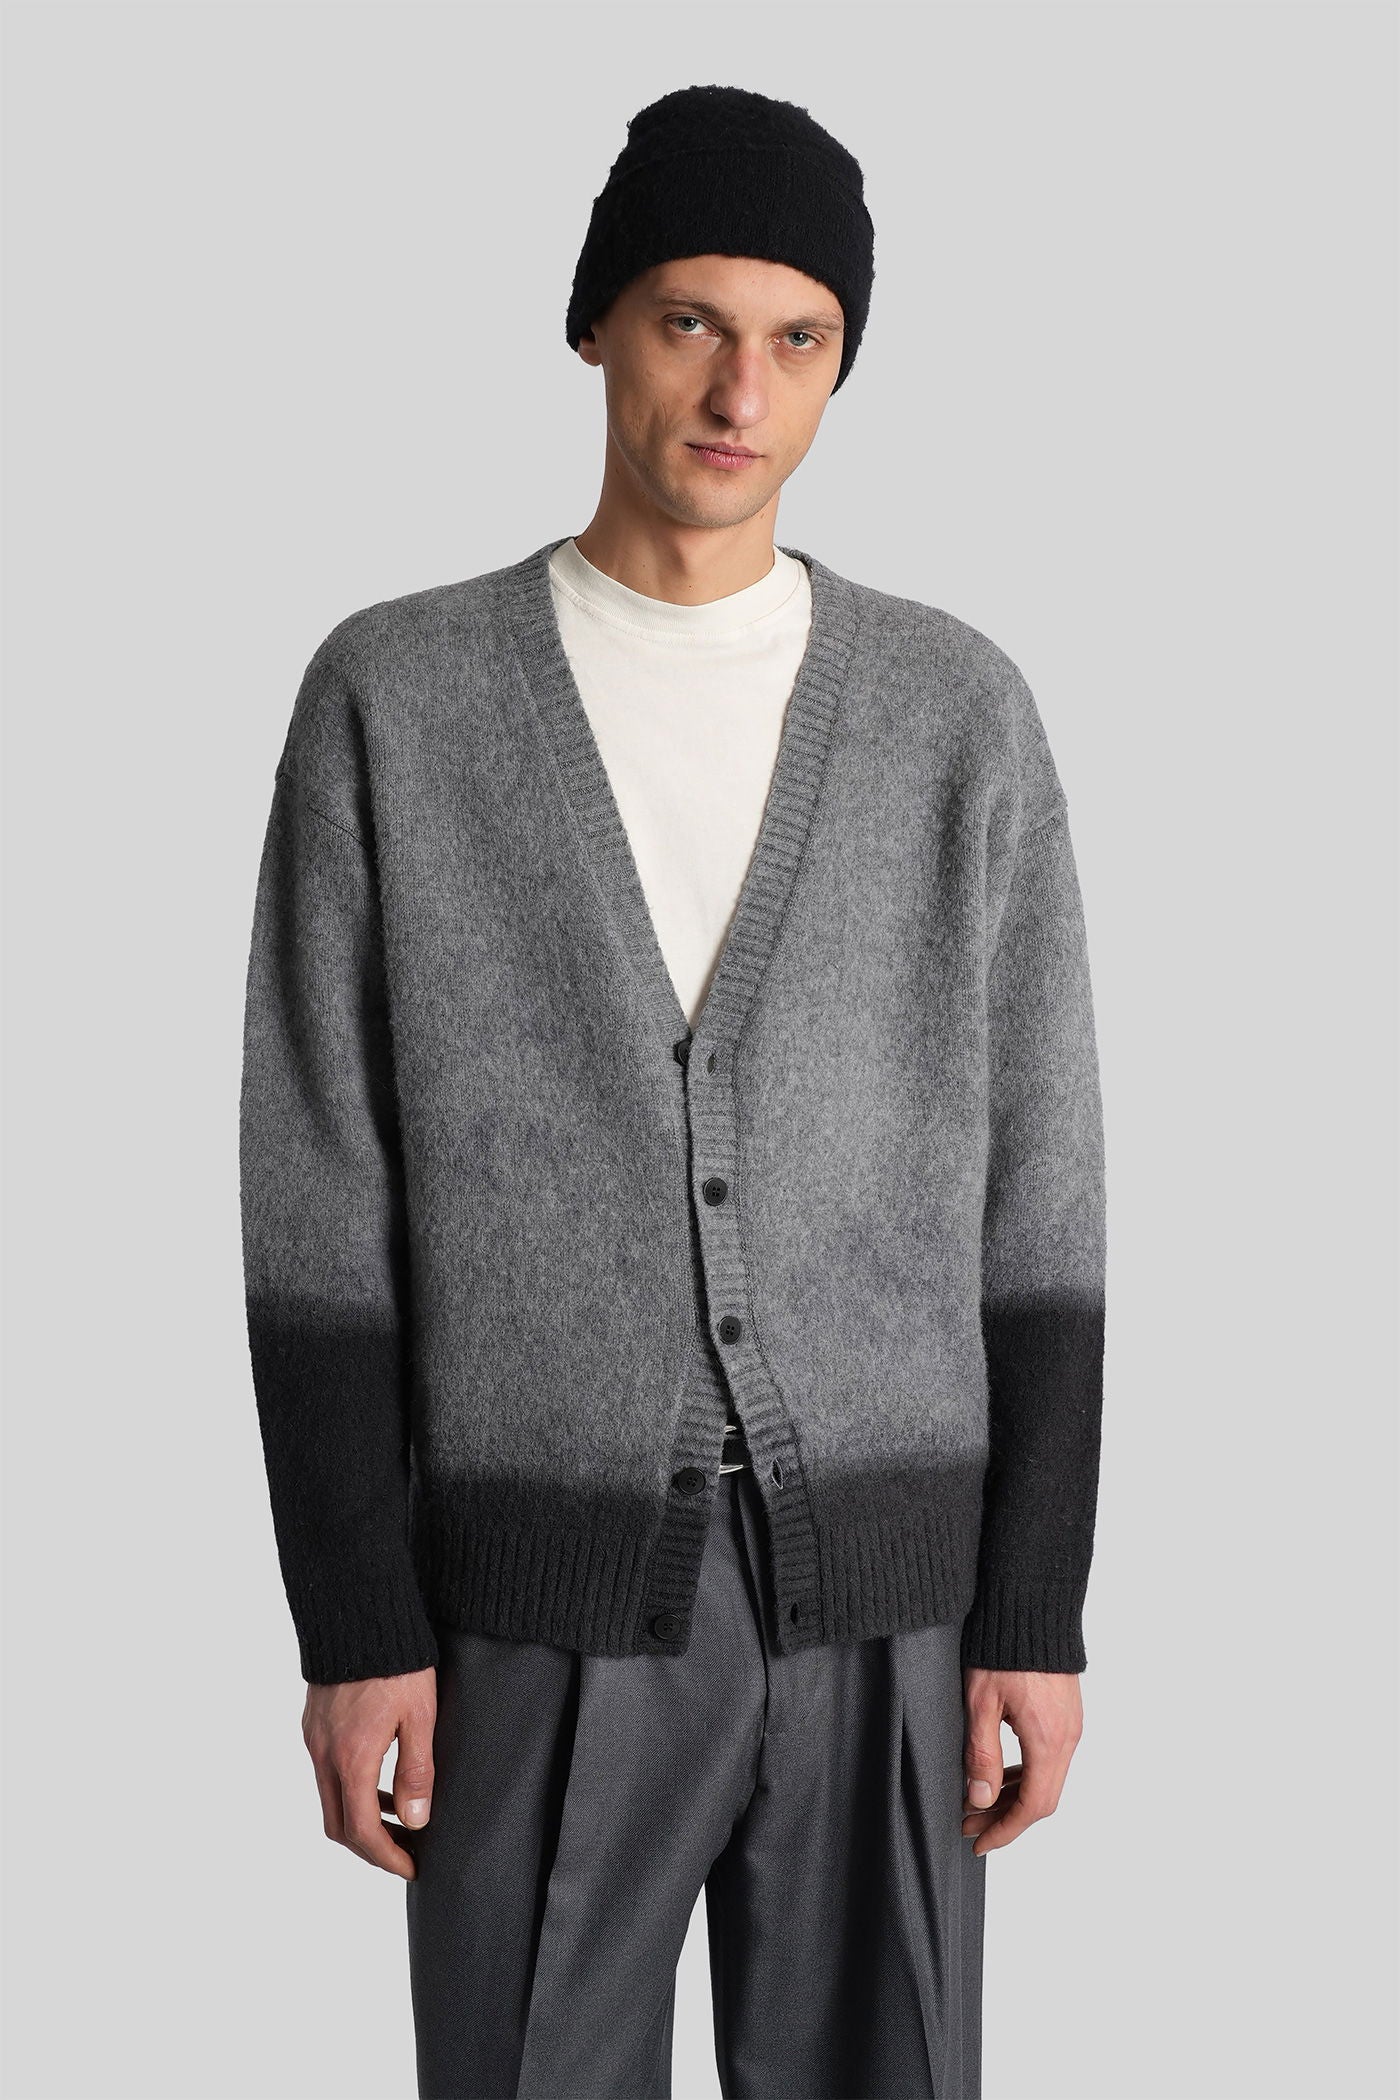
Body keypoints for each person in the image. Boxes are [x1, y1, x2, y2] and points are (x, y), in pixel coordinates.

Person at [238, 81, 1107, 2100]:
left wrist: (1037, 1612)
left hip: (890, 1609)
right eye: (689, 320)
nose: (740, 390)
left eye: (799, 336)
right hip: (527, 1613)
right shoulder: (397, 698)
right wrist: (354, 1620)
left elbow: (1046, 1198)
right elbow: (316, 1199)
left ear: (841, 368)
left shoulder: (955, 713)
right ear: (597, 327)